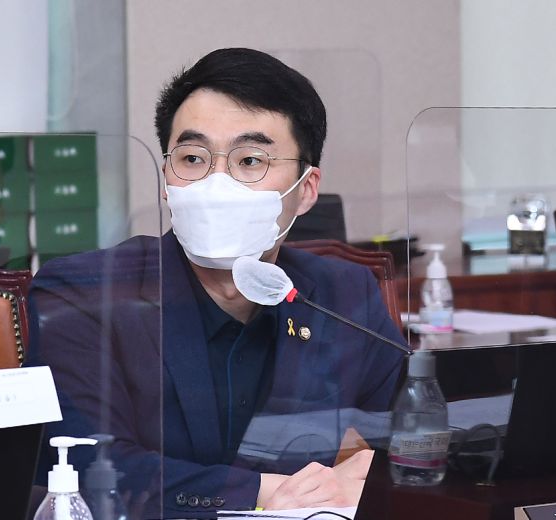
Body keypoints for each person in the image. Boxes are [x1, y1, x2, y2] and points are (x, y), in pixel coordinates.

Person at [26, 48, 406, 519]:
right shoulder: (84, 293)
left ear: (306, 190)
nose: (217, 183)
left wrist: (377, 469)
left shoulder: (339, 294)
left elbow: (424, 424)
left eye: (250, 161)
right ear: (167, 181)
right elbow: (86, 466)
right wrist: (264, 491)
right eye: (193, 158)